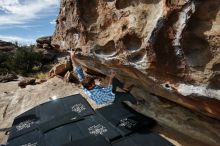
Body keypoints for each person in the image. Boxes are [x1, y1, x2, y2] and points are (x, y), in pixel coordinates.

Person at [70, 50, 136, 105]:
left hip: (103, 94)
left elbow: (78, 69)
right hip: (110, 98)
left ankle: (125, 88)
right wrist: (110, 77)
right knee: (128, 96)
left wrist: (72, 56)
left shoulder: (84, 84)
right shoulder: (98, 91)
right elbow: (108, 88)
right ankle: (136, 102)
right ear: (91, 86)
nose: (95, 80)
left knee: (114, 81)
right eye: (94, 82)